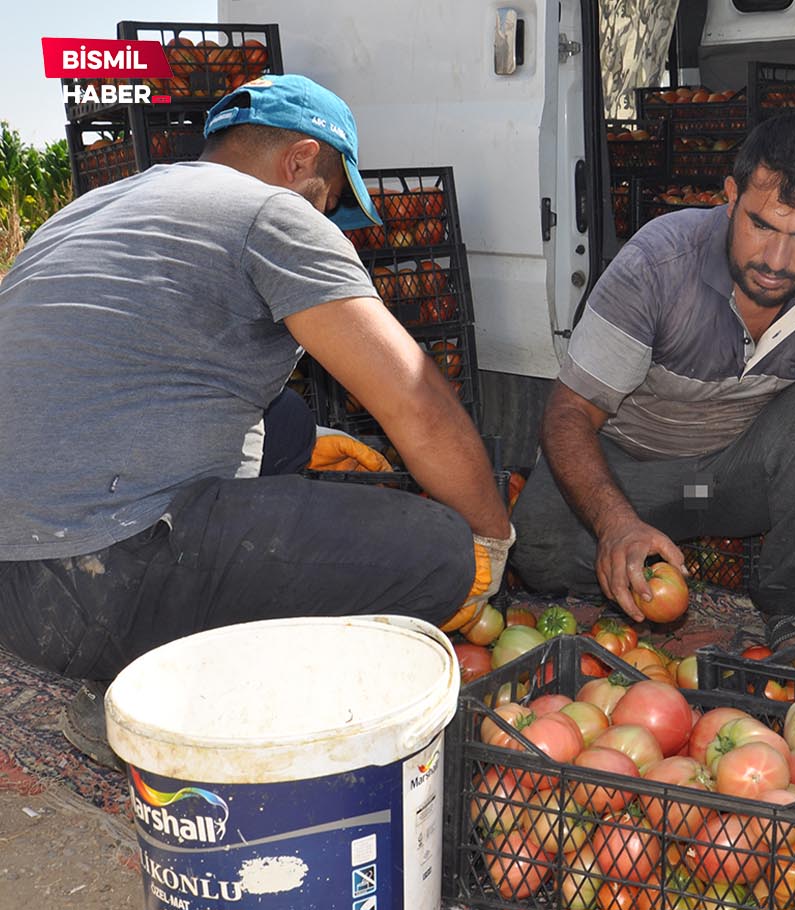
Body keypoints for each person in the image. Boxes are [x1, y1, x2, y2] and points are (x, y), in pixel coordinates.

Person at [0, 75, 511, 766]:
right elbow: (417, 403)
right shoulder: (272, 212)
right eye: (329, 200)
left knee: (292, 422)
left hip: (14, 585)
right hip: (110, 586)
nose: (326, 221)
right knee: (442, 554)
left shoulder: (94, 207)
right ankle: (183, 704)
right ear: (299, 162)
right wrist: (490, 539)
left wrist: (302, 445)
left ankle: (148, 653)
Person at [510, 113, 795, 653]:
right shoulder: (658, 262)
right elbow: (567, 415)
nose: (776, 259)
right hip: (640, 476)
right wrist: (616, 525)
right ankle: (647, 550)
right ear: (729, 197)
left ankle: (790, 599)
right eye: (761, 225)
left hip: (732, 481)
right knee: (538, 547)